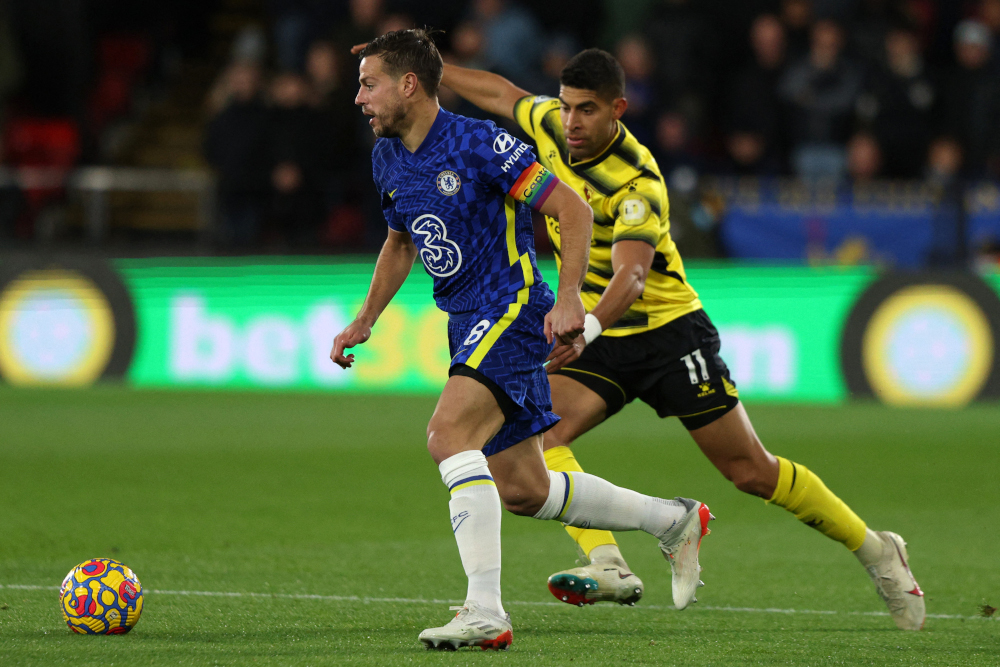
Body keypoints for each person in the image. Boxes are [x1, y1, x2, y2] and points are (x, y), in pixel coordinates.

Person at [438, 47, 926, 631]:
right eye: (567, 108)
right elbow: (497, 91)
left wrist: (588, 327)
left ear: (618, 109)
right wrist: (426, 70)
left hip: (669, 334)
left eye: (587, 110)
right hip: (603, 336)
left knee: (751, 471)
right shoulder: (549, 124)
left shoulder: (638, 179)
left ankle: (876, 550)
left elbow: (633, 276)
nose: (571, 122)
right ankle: (608, 562)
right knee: (539, 433)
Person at [333, 29, 713, 651]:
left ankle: (485, 610)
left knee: (447, 436)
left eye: (369, 83)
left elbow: (573, 210)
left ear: (408, 85)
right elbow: (401, 241)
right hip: (467, 320)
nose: (359, 98)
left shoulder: (482, 143)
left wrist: (568, 299)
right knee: (524, 489)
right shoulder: (388, 157)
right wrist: (366, 318)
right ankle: (672, 520)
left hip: (511, 307)